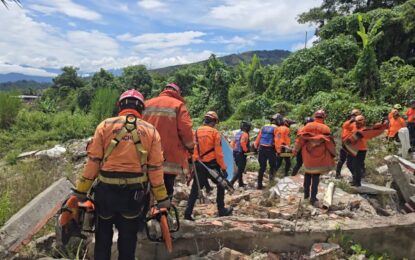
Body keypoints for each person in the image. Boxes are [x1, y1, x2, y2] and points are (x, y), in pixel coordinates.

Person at [70, 89, 169, 260]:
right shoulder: (151, 131)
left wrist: (80, 192)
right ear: (141, 109)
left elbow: (93, 162)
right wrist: (162, 199)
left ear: (120, 106)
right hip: (134, 197)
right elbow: (155, 168)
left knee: (102, 240)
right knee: (128, 242)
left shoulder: (105, 126)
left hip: (105, 195)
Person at [143, 83, 194, 200]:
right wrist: (191, 148)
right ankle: (163, 214)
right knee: (166, 188)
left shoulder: (146, 104)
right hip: (168, 157)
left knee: (146, 187)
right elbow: (186, 130)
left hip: (146, 157)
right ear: (177, 93)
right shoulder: (178, 105)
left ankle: (145, 212)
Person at [184, 111, 233, 220]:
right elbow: (219, 153)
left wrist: (190, 163)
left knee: (195, 190)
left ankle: (187, 214)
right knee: (221, 184)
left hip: (199, 165)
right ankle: (221, 209)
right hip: (211, 165)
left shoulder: (195, 132)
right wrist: (223, 168)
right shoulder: (215, 133)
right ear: (214, 121)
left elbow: (190, 149)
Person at [294, 110, 336, 206]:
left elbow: (300, 139)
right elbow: (329, 143)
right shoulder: (326, 128)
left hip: (307, 154)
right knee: (316, 176)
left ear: (315, 116)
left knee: (308, 174)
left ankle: (306, 196)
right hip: (320, 155)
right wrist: (333, 153)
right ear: (323, 117)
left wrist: (295, 150)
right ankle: (313, 198)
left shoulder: (308, 126)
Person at [344, 115, 388, 186]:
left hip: (361, 150)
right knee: (349, 164)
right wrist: (350, 121)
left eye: (358, 123)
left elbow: (376, 128)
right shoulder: (353, 125)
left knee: (356, 166)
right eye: (356, 122)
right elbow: (345, 126)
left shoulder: (365, 130)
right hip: (352, 148)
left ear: (362, 122)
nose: (357, 124)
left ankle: (357, 182)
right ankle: (355, 178)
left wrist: (382, 124)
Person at [254, 114, 281, 189]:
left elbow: (258, 138)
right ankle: (271, 183)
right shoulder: (276, 128)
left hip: (261, 148)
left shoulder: (263, 127)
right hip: (270, 149)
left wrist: (256, 147)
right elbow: (277, 140)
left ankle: (259, 185)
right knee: (272, 166)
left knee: (262, 167)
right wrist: (278, 151)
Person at [336, 109, 361, 179]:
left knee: (343, 160)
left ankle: (338, 174)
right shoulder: (351, 123)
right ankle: (354, 176)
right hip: (349, 143)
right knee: (349, 161)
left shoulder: (348, 123)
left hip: (346, 142)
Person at [230, 120, 252, 188]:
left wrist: (234, 150)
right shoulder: (245, 134)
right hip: (241, 153)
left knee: (239, 169)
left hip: (235, 153)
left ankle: (240, 183)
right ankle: (231, 182)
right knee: (240, 170)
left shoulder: (238, 133)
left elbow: (232, 143)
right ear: (246, 127)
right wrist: (246, 150)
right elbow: (242, 142)